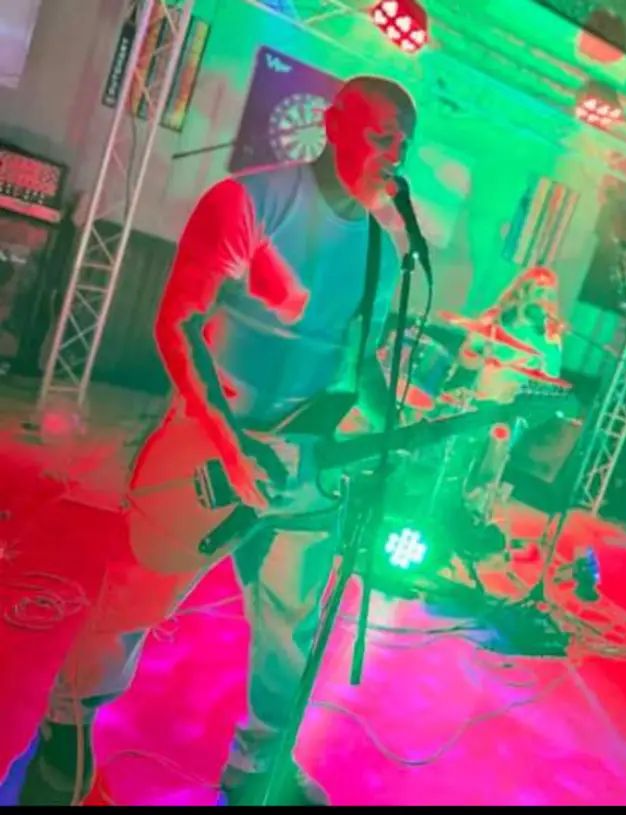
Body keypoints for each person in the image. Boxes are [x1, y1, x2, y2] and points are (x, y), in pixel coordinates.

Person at [7, 75, 416, 806]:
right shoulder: (250, 200)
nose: (394, 154)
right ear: (332, 125)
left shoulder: (383, 254)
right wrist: (231, 447)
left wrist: (398, 431)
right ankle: (64, 728)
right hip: (206, 445)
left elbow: (360, 362)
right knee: (136, 603)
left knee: (291, 628)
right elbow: (177, 322)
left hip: (301, 467)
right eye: (381, 134)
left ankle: (260, 763)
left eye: (404, 143)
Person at [450, 266, 565, 517]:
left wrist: (551, 344)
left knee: (499, 438)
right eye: (538, 291)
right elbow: (466, 355)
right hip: (475, 397)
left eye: (548, 294)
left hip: (509, 408)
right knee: (457, 446)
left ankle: (475, 505)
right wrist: (479, 357)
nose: (543, 298)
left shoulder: (548, 337)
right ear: (523, 291)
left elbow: (550, 380)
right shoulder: (496, 318)